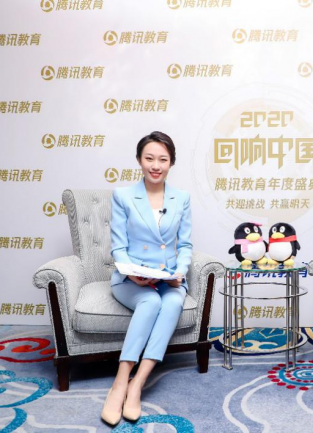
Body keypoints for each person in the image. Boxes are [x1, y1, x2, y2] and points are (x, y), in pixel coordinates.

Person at [101, 131, 192, 425]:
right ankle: (120, 382)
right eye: (149, 158)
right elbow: (118, 246)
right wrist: (133, 273)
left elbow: (185, 245)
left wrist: (180, 271)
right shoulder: (123, 196)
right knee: (150, 302)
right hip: (131, 279)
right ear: (139, 160)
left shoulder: (182, 198)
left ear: (171, 163)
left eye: (163, 159)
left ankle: (137, 383)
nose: (156, 165)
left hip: (169, 279)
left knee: (172, 302)